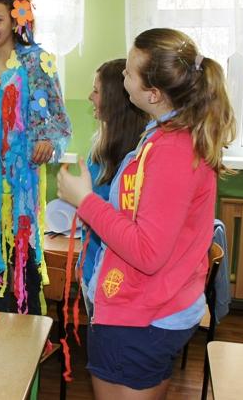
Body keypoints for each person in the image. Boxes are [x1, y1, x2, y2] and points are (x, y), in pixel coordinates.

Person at [57, 28, 236, 399]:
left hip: (142, 314)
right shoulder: (164, 136)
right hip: (147, 308)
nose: (122, 76)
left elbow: (148, 252)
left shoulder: (171, 149)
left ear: (153, 93)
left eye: (128, 72)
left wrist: (85, 201)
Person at [0, 0, 71, 315]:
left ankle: (32, 336)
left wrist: (47, 141)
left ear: (14, 21)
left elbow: (58, 117)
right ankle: (1, 336)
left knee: (24, 259)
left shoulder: (36, 60)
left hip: (21, 182)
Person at [79, 59, 148, 317]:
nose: (90, 97)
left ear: (114, 101)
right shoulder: (100, 150)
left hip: (114, 281)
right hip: (92, 268)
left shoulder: (135, 160)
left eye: (96, 91)